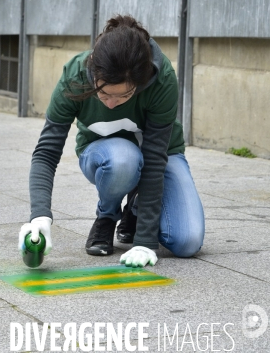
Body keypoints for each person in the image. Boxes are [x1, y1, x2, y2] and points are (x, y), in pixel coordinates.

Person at [19, 15, 205, 268]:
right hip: (107, 157)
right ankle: (107, 216)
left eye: (124, 95)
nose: (110, 103)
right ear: (93, 71)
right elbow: (46, 152)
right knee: (123, 158)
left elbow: (155, 156)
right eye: (103, 93)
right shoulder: (74, 75)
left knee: (187, 242)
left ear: (141, 82)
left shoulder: (161, 79)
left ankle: (136, 211)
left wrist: (145, 242)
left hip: (159, 156)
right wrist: (39, 217)